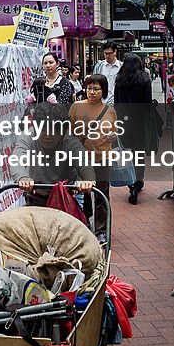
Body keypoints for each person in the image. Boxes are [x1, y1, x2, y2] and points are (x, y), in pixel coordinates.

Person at [11, 101, 94, 203]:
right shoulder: (28, 136)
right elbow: (17, 159)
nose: (48, 136)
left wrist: (88, 181)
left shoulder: (70, 142)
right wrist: (23, 178)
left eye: (54, 131)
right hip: (37, 195)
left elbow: (84, 164)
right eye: (43, 130)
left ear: (63, 132)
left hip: (67, 196)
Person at [69, 74, 117, 242]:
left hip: (103, 157)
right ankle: (85, 222)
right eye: (89, 88)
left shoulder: (109, 110)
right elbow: (69, 132)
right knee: (83, 192)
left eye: (96, 89)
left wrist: (113, 136)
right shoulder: (76, 107)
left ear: (103, 90)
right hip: (82, 159)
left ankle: (101, 229)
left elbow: (114, 134)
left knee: (101, 193)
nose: (92, 92)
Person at [114, 53, 161, 205]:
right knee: (139, 154)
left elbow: (116, 103)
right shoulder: (144, 78)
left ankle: (130, 183)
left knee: (127, 152)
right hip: (140, 122)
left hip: (124, 121)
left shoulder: (120, 79)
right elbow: (146, 103)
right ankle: (138, 182)